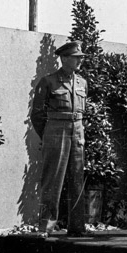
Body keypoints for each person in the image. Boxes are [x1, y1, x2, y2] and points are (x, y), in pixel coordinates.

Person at [30, 40, 88, 237]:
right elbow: (37, 115)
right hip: (57, 131)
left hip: (78, 131)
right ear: (63, 59)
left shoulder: (82, 82)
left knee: (77, 178)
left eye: (80, 58)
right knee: (53, 179)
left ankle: (77, 226)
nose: (79, 61)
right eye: (75, 58)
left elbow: (82, 110)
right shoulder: (48, 81)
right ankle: (45, 226)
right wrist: (49, 135)